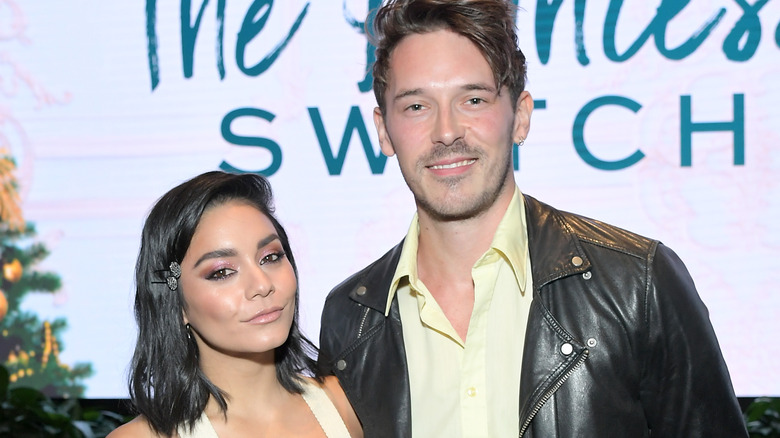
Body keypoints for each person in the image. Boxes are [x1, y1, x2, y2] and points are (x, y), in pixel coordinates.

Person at [317, 0, 747, 437]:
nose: (446, 131)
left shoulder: (638, 282)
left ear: (520, 117)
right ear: (384, 130)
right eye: (416, 107)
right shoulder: (349, 318)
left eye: (473, 99)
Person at [109, 171, 362, 438]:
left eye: (271, 257)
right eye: (222, 272)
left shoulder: (348, 406)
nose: (262, 285)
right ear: (176, 303)